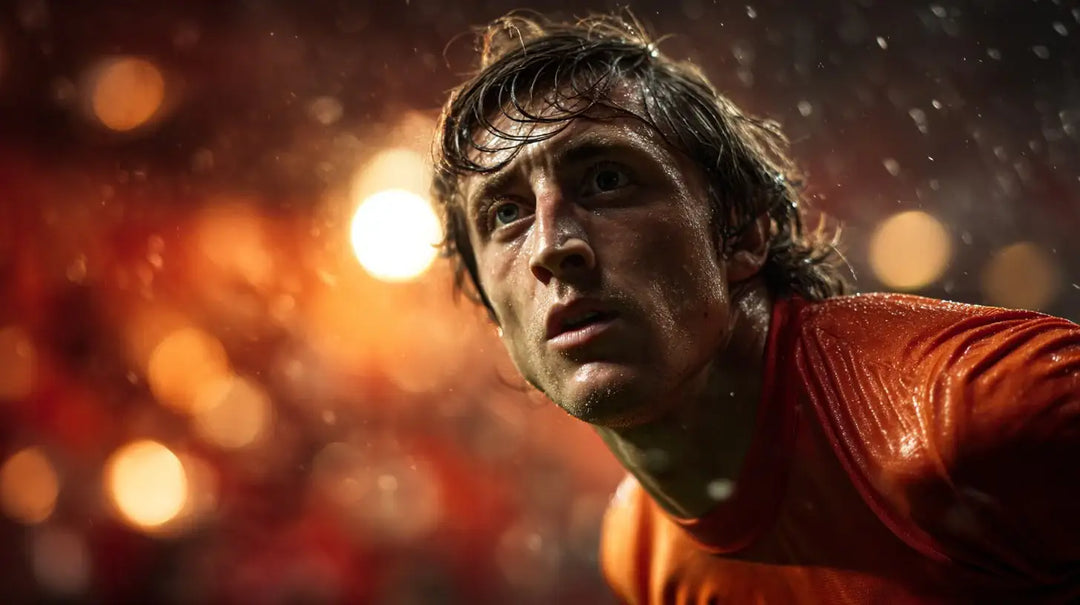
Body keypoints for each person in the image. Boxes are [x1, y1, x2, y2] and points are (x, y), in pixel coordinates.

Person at [429, 12, 1080, 604]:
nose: (552, 245)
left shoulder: (986, 412)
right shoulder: (640, 549)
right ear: (492, 305)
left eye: (606, 179)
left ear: (741, 233)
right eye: (506, 213)